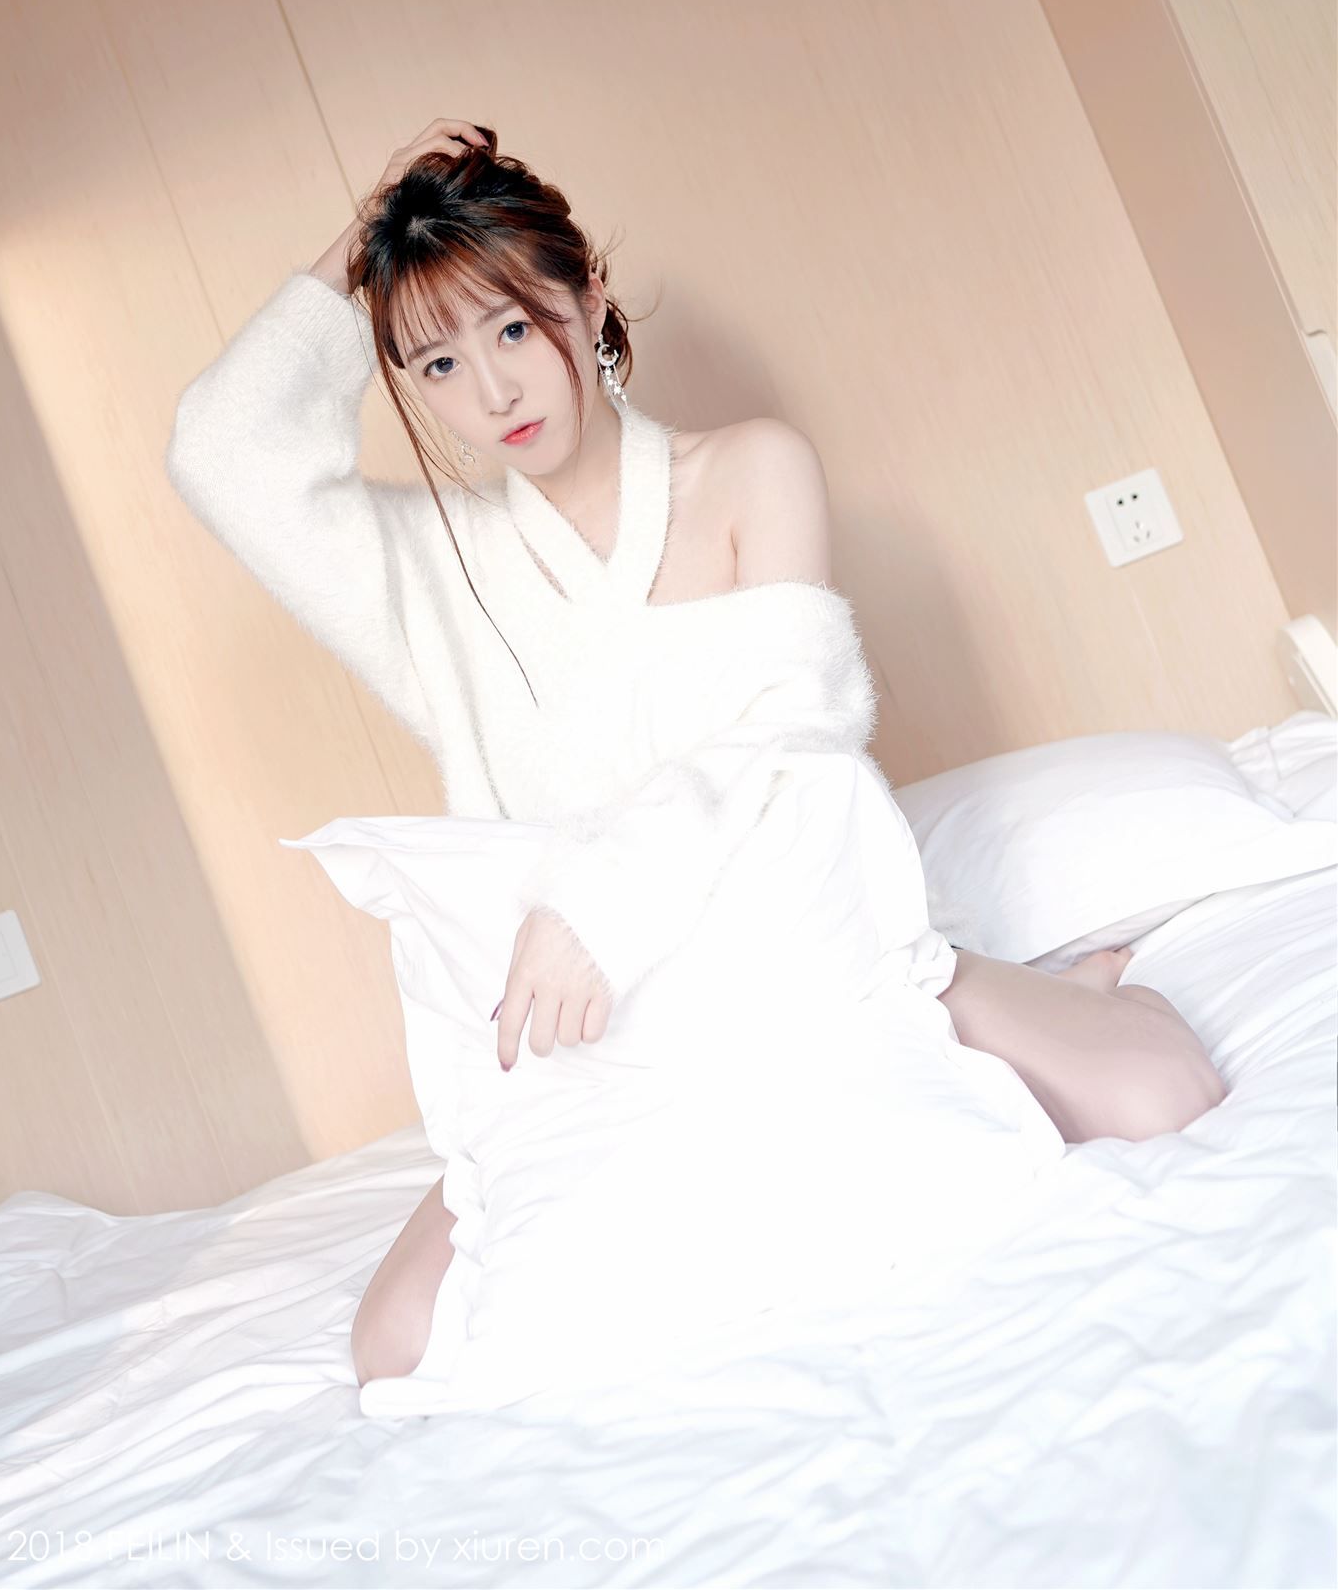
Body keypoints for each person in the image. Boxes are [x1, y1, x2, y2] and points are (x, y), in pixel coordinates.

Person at [165, 116, 1226, 1392]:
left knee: (1162, 1099)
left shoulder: (749, 473)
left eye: (512, 329)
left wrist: (599, 901)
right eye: (436, 362)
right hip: (598, 1038)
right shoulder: (430, 574)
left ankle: (1076, 994)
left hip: (800, 966)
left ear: (586, 295)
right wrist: (377, 234)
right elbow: (219, 452)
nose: (492, 391)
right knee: (393, 1346)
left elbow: (794, 730)